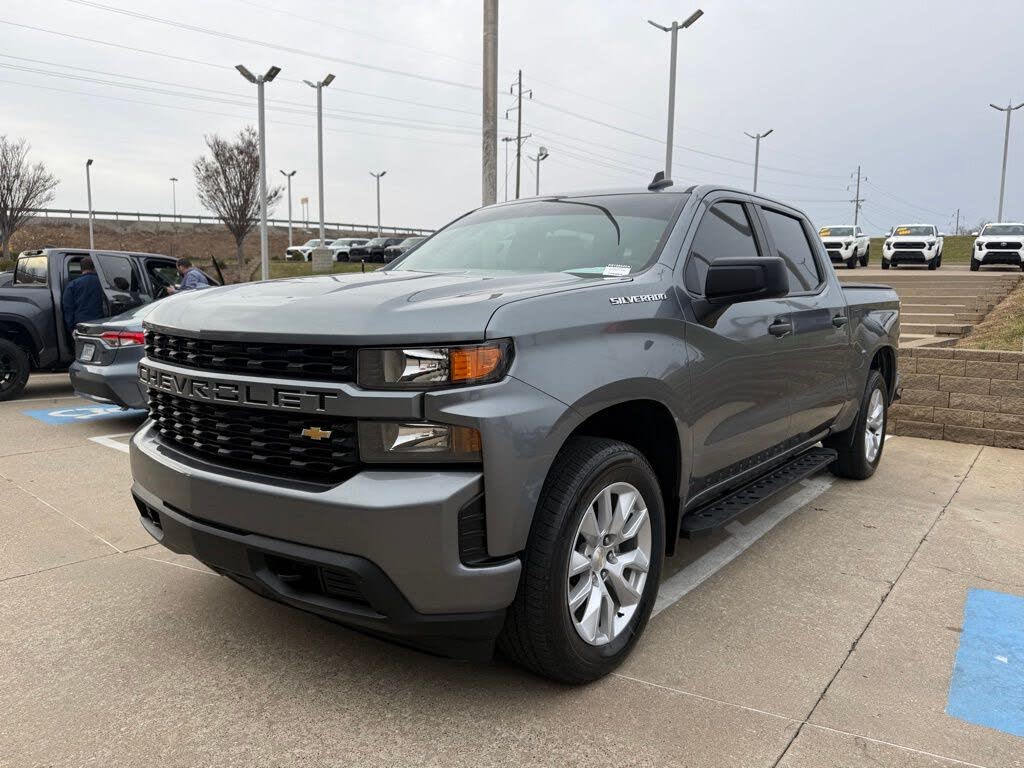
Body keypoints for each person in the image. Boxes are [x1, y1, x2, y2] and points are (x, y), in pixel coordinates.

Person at [61, 256, 105, 333]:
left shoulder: (72, 285)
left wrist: (72, 328)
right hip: (101, 323)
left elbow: (68, 308)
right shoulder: (103, 283)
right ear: (94, 268)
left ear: (81, 269)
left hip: (81, 324)